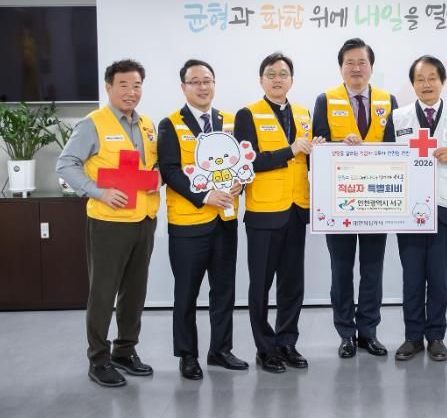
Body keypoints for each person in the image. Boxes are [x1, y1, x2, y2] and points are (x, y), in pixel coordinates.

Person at [56, 59, 160, 387]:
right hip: (108, 223)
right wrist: (99, 192)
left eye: (137, 85)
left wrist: (157, 178)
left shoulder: (147, 125)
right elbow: (66, 164)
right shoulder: (93, 124)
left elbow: (151, 165)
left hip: (144, 219)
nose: (131, 92)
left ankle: (124, 352)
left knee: (135, 292)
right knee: (103, 293)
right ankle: (98, 359)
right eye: (124, 85)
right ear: (109, 87)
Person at [157, 59, 248, 380]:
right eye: (195, 81)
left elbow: (242, 163)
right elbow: (169, 171)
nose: (202, 86)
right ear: (183, 87)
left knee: (224, 290)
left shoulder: (230, 121)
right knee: (186, 293)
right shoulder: (170, 124)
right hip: (188, 225)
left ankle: (220, 350)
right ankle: (187, 355)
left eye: (207, 80)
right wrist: (204, 195)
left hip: (225, 221)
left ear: (214, 84)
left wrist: (240, 183)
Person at [234, 52, 324, 373]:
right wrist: (290, 150)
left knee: (292, 283)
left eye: (283, 74)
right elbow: (247, 162)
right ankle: (265, 347)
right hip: (264, 212)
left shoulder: (303, 114)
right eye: (270, 74)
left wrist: (324, 149)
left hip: (297, 210)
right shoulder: (247, 115)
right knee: (260, 285)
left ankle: (287, 341)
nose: (277, 79)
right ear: (261, 80)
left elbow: (310, 158)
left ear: (291, 80)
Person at [383, 55, 447, 361]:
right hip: (408, 209)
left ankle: (436, 336)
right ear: (412, 84)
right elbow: (385, 158)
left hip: (445, 206)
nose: (426, 84)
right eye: (420, 79)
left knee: (438, 278)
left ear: (442, 81)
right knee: (412, 278)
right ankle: (412, 337)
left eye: (432, 78)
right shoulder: (398, 118)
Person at [312, 38, 397, 358]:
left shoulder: (388, 101)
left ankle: (369, 332)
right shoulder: (325, 100)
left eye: (362, 62)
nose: (356, 68)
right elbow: (317, 148)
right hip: (339, 201)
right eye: (350, 62)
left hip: (377, 200)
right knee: (341, 270)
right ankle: (346, 333)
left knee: (373, 269)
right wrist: (338, 144)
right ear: (341, 67)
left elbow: (395, 147)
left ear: (371, 67)